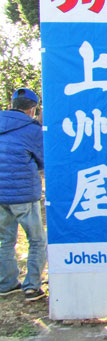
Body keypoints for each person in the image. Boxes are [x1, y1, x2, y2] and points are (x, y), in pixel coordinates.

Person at [0, 88, 46, 301]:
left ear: (12, 105)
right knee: (36, 240)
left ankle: (7, 283)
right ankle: (32, 286)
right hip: (24, 194)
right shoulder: (32, 129)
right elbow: (43, 160)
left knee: (5, 239)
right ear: (32, 109)